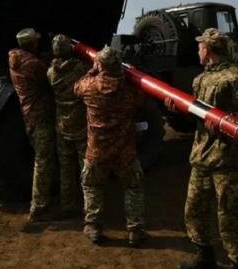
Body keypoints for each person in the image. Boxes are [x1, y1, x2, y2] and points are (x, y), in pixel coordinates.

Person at [175, 28, 238, 269]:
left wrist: (225, 121)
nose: (198, 49)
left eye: (200, 46)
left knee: (230, 217)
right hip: (201, 156)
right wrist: (177, 108)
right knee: (194, 211)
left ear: (210, 49)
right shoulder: (200, 78)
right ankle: (204, 257)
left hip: (228, 160)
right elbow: (197, 115)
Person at [74, 46, 149, 247]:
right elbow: (141, 99)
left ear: (100, 65)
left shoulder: (89, 87)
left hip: (96, 151)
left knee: (92, 186)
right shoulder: (130, 90)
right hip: (125, 152)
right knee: (133, 187)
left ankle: (93, 228)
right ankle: (135, 231)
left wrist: (92, 70)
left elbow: (77, 86)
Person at [8, 27, 56, 223]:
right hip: (40, 117)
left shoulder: (15, 58)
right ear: (32, 44)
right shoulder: (33, 65)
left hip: (30, 116)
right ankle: (39, 206)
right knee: (43, 161)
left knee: (42, 157)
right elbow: (51, 78)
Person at [47, 34, 90, 217]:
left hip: (62, 125)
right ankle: (88, 204)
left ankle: (67, 204)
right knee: (84, 167)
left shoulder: (50, 72)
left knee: (66, 168)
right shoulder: (80, 69)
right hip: (80, 124)